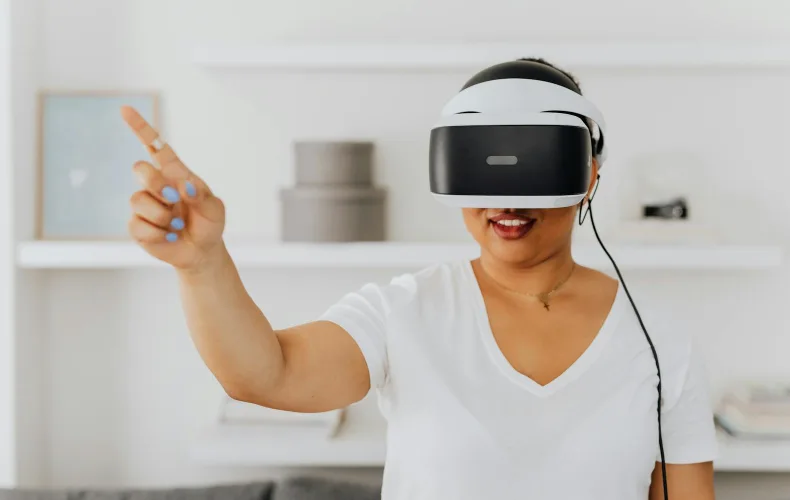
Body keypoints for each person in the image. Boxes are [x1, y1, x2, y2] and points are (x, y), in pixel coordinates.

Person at [122, 58, 718, 500]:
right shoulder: (403, 310)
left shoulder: (659, 340)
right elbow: (264, 374)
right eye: (483, 165)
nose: (506, 199)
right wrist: (203, 264)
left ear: (588, 174)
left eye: (534, 163)